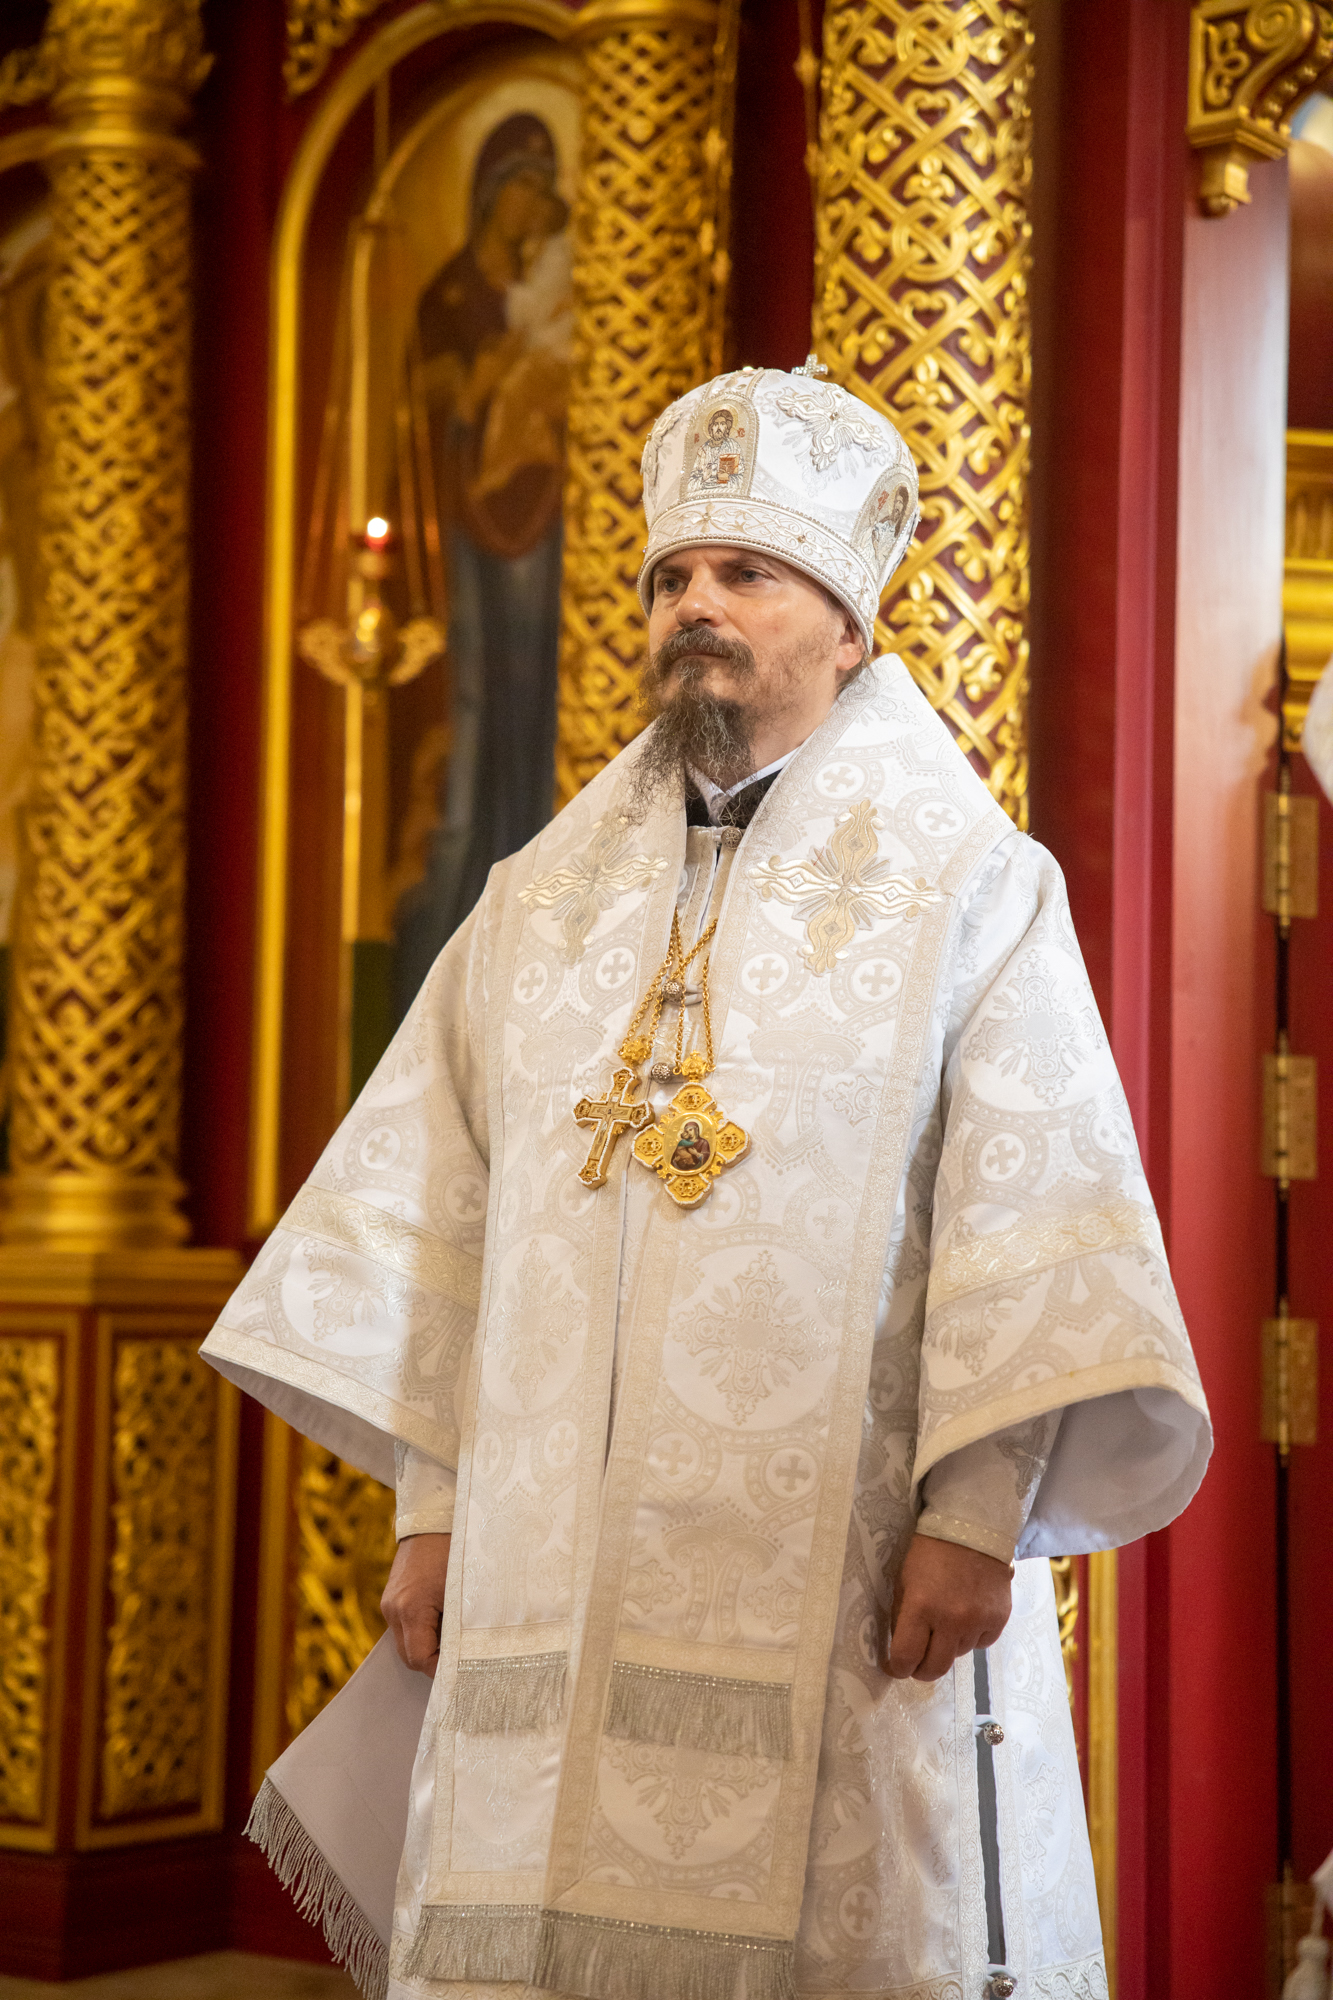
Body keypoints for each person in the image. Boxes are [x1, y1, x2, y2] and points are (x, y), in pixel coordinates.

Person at [204, 361, 1211, 2000]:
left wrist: (973, 1518)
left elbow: (1027, 1221)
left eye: (744, 572)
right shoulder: (537, 903)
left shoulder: (971, 888)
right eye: (673, 574)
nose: (694, 604)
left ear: (848, 626)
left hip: (844, 1574)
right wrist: (436, 1514)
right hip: (548, 1561)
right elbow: (447, 1222)